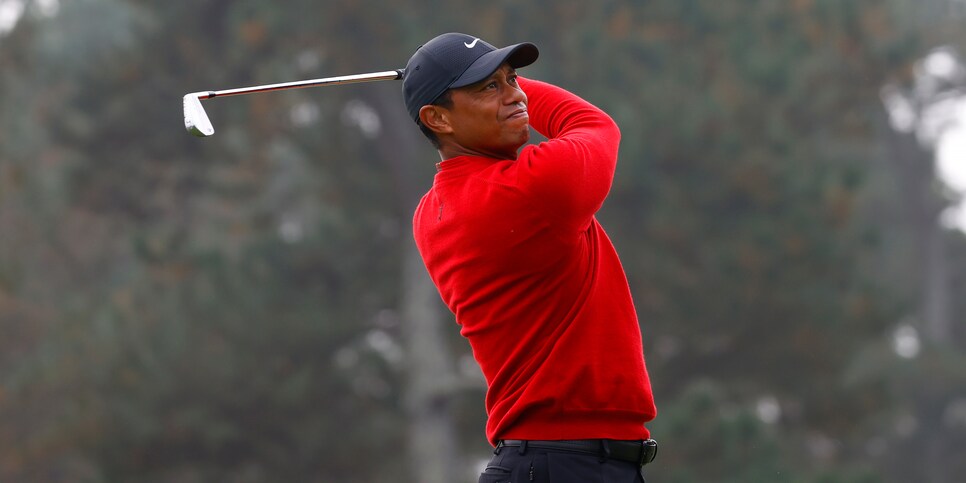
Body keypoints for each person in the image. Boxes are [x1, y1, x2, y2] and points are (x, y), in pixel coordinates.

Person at [401, 32, 658, 482]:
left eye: (513, 79)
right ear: (437, 118)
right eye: (489, 88)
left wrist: (455, 81)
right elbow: (594, 124)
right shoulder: (533, 189)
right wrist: (448, 79)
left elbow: (507, 110)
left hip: (549, 463)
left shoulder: (432, 211)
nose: (516, 95)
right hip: (568, 466)